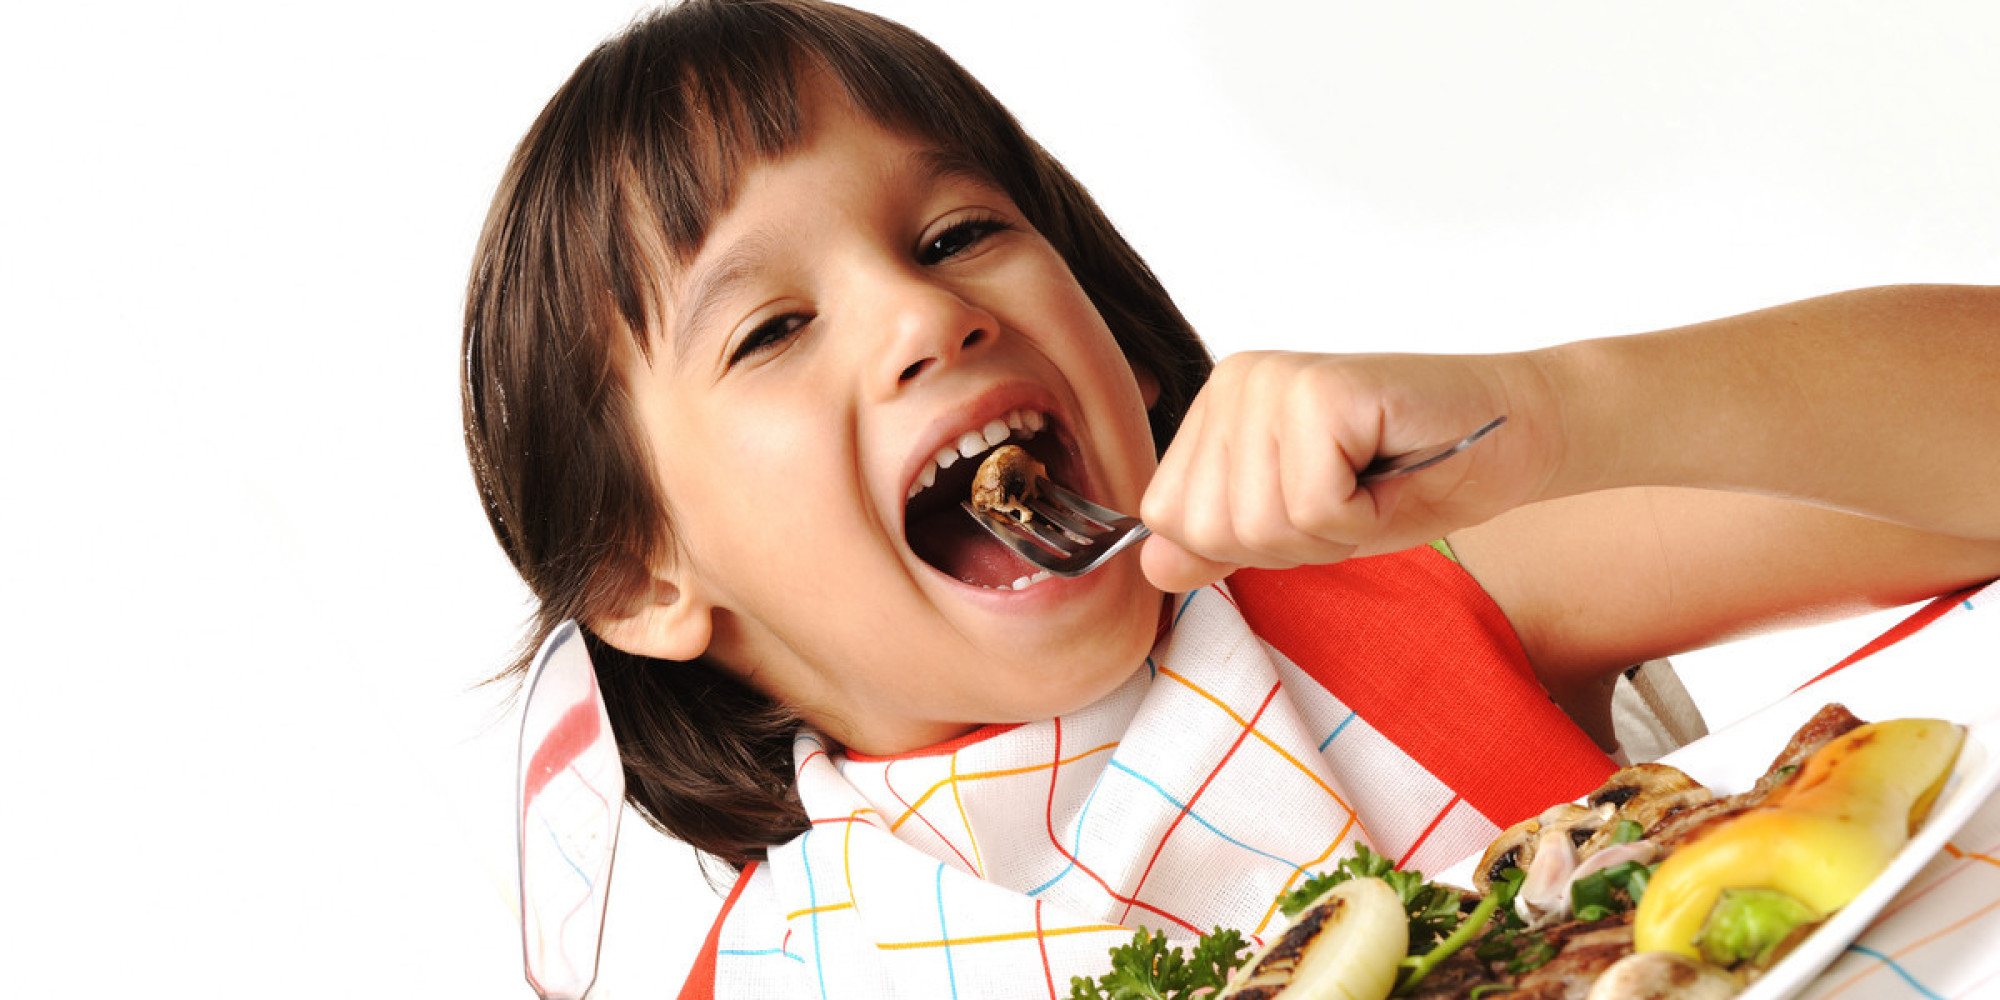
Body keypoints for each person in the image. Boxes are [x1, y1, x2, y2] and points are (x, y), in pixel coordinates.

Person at [461, 1, 2000, 995]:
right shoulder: (793, 972)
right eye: (773, 329)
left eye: (954, 234)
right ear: (641, 579)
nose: (923, 316)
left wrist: (1558, 414)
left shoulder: (1389, 592)